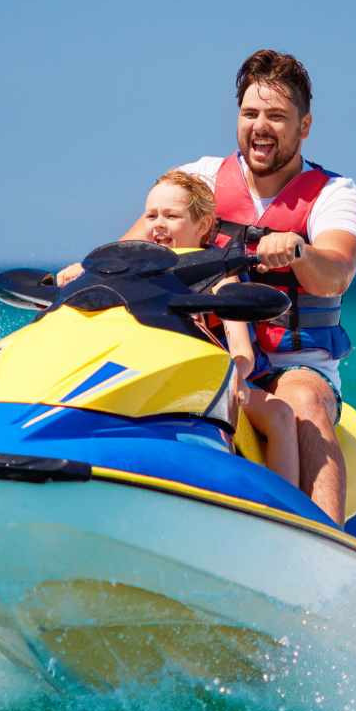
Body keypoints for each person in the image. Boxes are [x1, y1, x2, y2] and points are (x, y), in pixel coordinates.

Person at [61, 50, 356, 524]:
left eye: (277, 116)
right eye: (250, 113)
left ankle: (327, 545)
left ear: (304, 126)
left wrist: (299, 251)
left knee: (301, 400)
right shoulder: (198, 179)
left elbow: (338, 269)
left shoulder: (333, 194)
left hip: (291, 364)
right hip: (203, 349)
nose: (260, 126)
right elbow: (130, 251)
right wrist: (82, 272)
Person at [135, 171, 301, 494]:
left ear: (203, 226)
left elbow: (242, 351)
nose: (159, 224)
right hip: (169, 379)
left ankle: (285, 509)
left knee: (280, 413)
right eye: (151, 215)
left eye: (172, 216)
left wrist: (232, 377)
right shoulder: (141, 278)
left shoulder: (220, 280)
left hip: (226, 380)